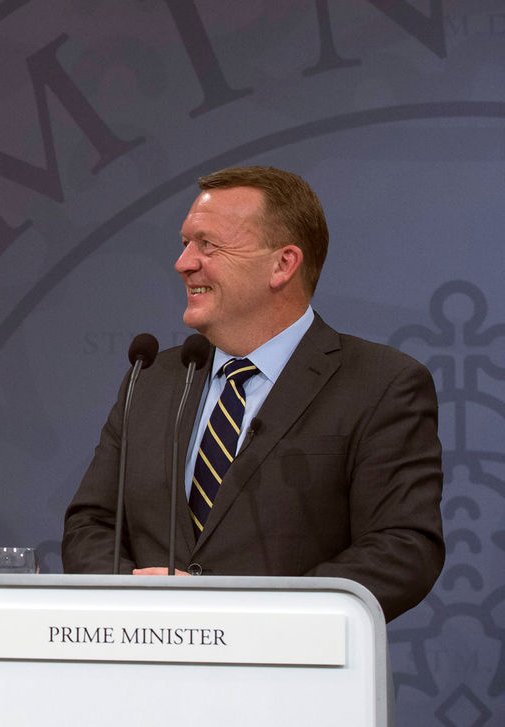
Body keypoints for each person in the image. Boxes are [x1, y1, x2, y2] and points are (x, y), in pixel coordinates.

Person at [61, 166, 443, 622]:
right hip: (149, 668)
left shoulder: (381, 384)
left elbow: (402, 550)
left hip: (292, 678)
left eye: (208, 244)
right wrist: (135, 594)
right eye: (185, 243)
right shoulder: (154, 378)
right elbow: (92, 524)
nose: (184, 262)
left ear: (283, 265)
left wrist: (245, 614)